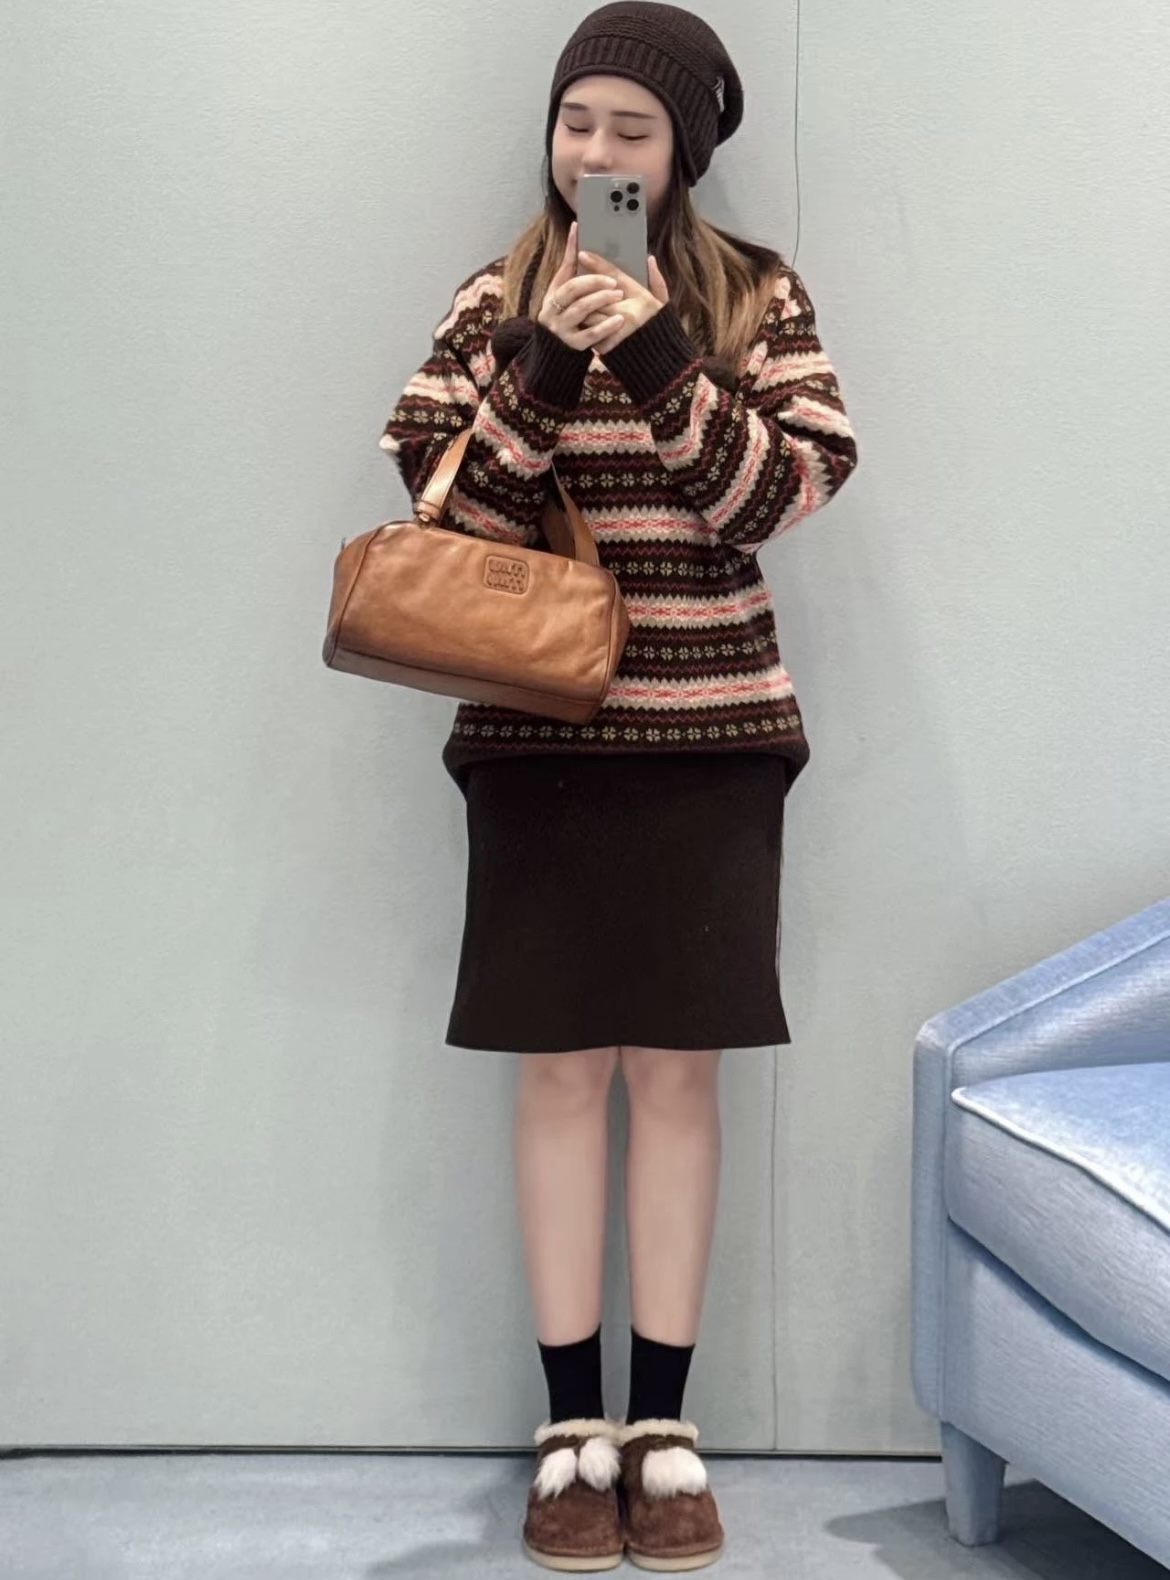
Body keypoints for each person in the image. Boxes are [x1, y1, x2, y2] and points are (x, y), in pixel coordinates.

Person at [380, 3, 858, 1569]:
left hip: (713, 741)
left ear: (684, 151)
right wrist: (539, 358)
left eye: (630, 129)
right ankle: (565, 1433)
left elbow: (775, 496)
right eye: (574, 119)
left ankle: (662, 1432)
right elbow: (447, 516)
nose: (594, 149)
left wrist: (654, 348)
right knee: (558, 1078)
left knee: (675, 1081)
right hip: (535, 746)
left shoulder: (756, 296)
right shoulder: (492, 297)